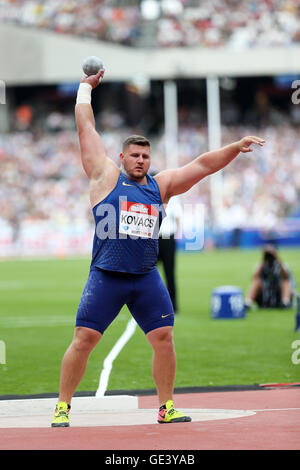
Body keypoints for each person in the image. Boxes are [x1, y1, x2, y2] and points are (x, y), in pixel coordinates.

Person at [51, 68, 265, 427]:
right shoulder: (104, 177)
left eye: (145, 157)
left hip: (145, 277)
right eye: (134, 155)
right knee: (84, 338)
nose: (140, 161)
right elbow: (86, 129)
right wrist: (84, 91)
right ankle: (62, 405)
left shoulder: (159, 186)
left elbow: (202, 166)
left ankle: (166, 406)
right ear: (122, 157)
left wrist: (234, 148)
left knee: (164, 338)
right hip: (108, 275)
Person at [245, 245, 293, 310]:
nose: (269, 257)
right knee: (256, 282)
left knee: (285, 282)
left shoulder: (283, 265)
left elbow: (286, 277)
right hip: (265, 292)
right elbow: (254, 278)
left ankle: (285, 302)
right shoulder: (261, 265)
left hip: (278, 292)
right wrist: (263, 261)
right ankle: (247, 303)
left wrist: (278, 261)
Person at [157, 195, 182, 314]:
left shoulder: (173, 199)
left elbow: (177, 218)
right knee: (147, 273)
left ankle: (173, 305)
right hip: (153, 237)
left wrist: (176, 234)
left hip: (167, 237)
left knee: (169, 273)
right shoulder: (150, 194)